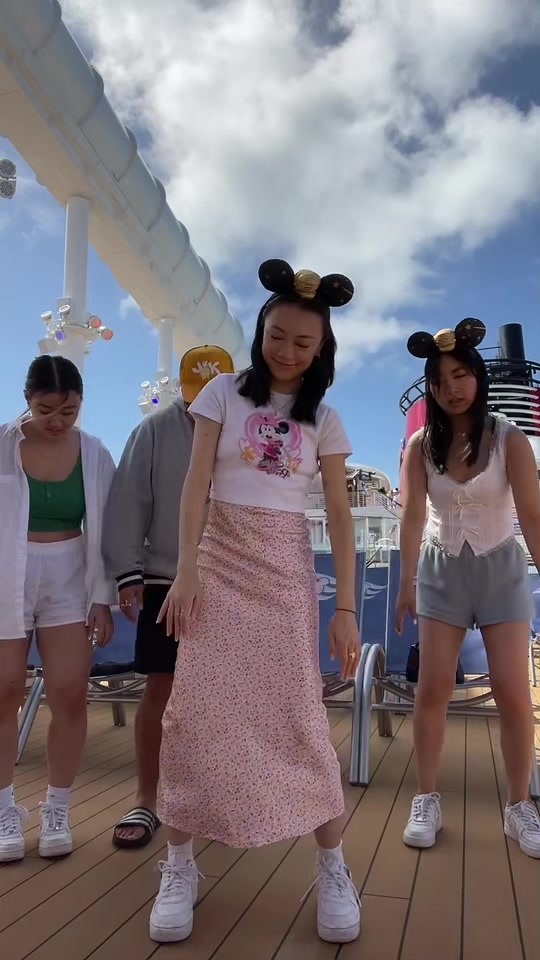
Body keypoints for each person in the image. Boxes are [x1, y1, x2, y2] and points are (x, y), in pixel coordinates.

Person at [149, 259, 362, 945]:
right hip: (218, 564)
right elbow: (195, 484)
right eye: (277, 336)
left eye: (304, 342)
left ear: (322, 349)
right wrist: (185, 570)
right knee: (194, 713)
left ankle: (332, 866)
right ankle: (179, 865)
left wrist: (348, 609)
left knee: (298, 715)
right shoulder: (221, 393)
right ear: (260, 331)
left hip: (284, 573)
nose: (287, 351)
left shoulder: (324, 419)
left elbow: (339, 515)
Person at [397, 319, 540, 858]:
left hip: (501, 567)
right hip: (442, 570)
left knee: (512, 690)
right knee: (433, 687)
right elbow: (412, 517)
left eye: (461, 375)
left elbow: (532, 514)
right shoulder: (421, 446)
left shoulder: (510, 439)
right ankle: (426, 798)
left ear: (478, 377)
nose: (452, 388)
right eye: (440, 380)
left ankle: (519, 805)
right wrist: (407, 582)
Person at [102, 345, 234, 848]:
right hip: (164, 577)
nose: (203, 403)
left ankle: (215, 794)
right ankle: (148, 798)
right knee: (162, 687)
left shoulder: (248, 429)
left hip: (232, 579)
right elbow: (128, 500)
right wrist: (126, 572)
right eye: (195, 393)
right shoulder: (154, 430)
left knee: (227, 694)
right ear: (181, 387)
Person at [0, 354, 116, 862]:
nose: (57, 421)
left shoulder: (94, 453)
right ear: (27, 401)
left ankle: (58, 809)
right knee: (4, 691)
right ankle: (3, 810)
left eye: (68, 411)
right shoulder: (2, 444)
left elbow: (108, 527)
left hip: (71, 574)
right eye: (46, 410)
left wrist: (102, 598)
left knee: (69, 692)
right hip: (6, 573)